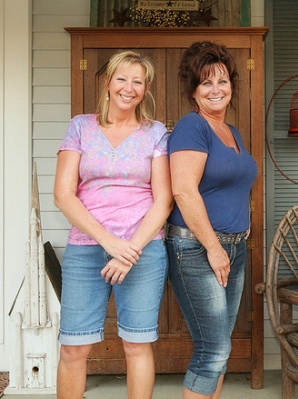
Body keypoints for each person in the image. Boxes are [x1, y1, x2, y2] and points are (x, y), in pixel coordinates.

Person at [54, 50, 172, 399]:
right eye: (122, 78)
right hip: (87, 249)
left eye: (138, 81)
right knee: (73, 348)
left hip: (142, 251)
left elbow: (163, 200)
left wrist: (129, 250)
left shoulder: (156, 133)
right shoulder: (80, 126)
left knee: (137, 345)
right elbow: (63, 194)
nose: (129, 87)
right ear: (107, 83)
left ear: (146, 89)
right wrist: (110, 243)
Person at [166, 41, 258, 399]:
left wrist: (241, 226)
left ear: (232, 85)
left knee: (218, 348)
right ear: (193, 90)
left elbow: (234, 183)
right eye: (206, 83)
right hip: (198, 248)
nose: (216, 89)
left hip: (231, 247)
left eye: (222, 81)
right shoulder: (193, 127)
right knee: (213, 350)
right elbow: (184, 192)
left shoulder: (231, 132)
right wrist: (215, 247)